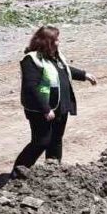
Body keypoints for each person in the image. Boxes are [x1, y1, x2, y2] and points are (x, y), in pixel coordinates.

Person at [12, 26, 96, 177]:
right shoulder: (31, 60)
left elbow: (65, 70)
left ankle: (53, 173)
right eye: (55, 39)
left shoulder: (55, 56)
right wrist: (45, 108)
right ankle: (18, 173)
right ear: (46, 42)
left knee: (56, 140)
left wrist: (84, 75)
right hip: (41, 110)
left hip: (60, 106)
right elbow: (30, 87)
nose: (58, 42)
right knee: (41, 142)